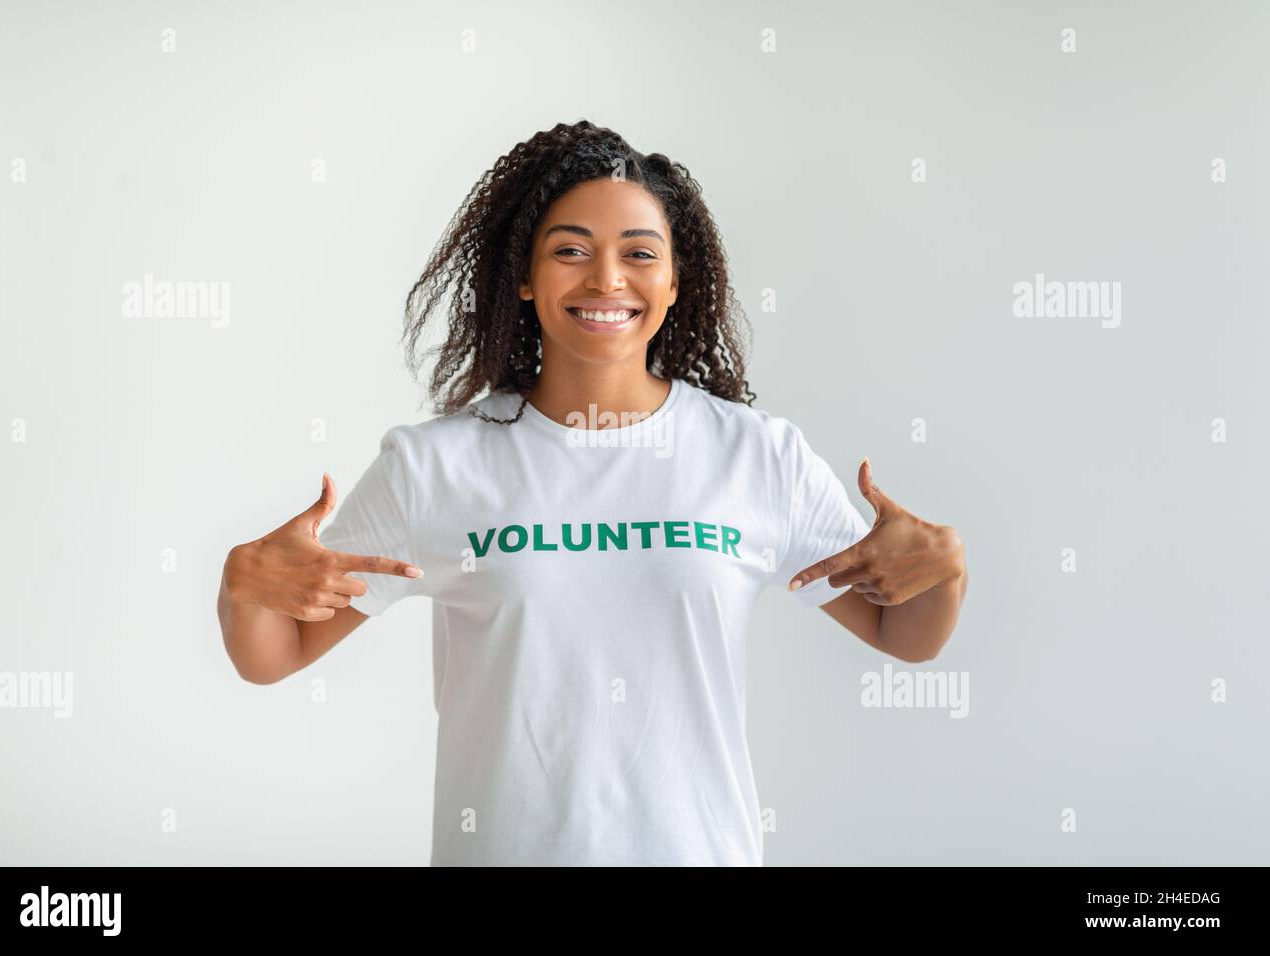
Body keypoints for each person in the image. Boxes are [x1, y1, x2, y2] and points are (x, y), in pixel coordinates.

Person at [217, 120, 968, 866]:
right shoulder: (437, 467)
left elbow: (900, 634)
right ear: (523, 273)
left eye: (639, 254)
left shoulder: (756, 457)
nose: (606, 280)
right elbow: (276, 654)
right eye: (570, 250)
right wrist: (243, 588)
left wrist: (943, 572)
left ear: (675, 281)